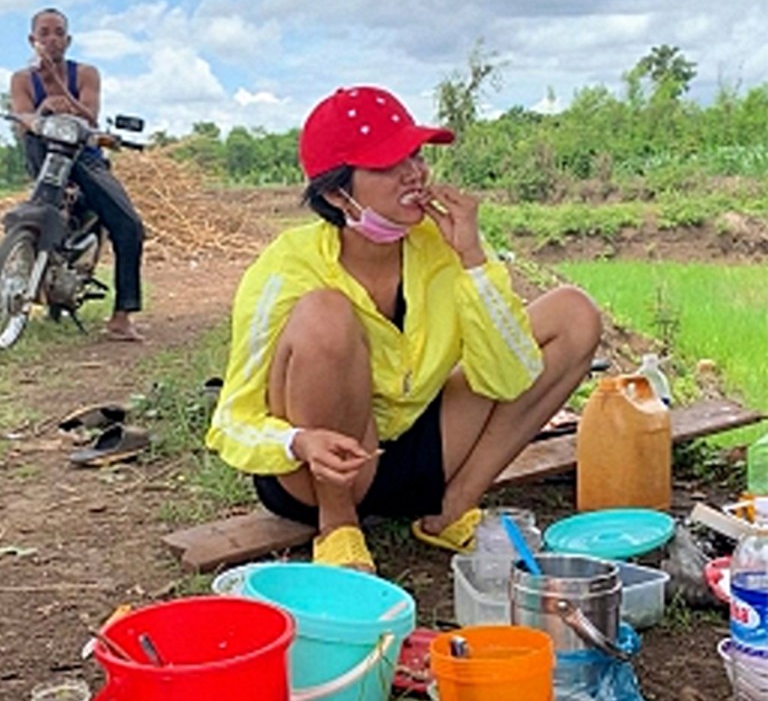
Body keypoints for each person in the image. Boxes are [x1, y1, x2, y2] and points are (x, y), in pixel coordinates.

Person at [205, 85, 601, 571]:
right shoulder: (287, 266)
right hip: (314, 471)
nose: (414, 173)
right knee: (325, 313)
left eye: (413, 155)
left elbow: (508, 377)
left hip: (419, 451)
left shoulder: (443, 246)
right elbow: (231, 423)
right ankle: (339, 527)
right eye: (387, 164)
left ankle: (449, 509)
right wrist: (298, 442)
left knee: (574, 314)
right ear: (336, 192)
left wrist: (472, 260)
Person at [9, 7, 146, 342]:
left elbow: (91, 117)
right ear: (33, 39)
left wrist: (58, 87)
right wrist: (42, 111)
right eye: (44, 33)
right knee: (29, 216)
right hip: (43, 157)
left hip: (84, 159)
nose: (52, 39)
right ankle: (14, 284)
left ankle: (122, 316)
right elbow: (22, 117)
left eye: (58, 33)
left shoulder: (85, 73)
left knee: (129, 227)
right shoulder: (21, 79)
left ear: (68, 40)